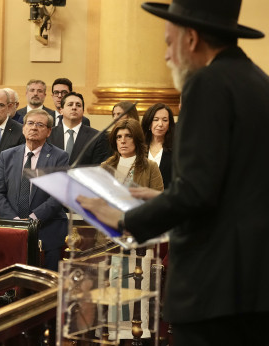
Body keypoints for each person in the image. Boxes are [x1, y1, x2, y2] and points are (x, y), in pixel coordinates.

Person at [77, 1, 269, 344]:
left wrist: (120, 220)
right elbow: (231, 186)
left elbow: (197, 193)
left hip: (213, 287)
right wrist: (166, 197)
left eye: (169, 42)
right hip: (255, 286)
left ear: (191, 39)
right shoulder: (258, 82)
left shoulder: (206, 83)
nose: (167, 55)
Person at [0, 109, 70, 271]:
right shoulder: (6, 156)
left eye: (40, 125)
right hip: (12, 230)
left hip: (47, 231)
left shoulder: (59, 157)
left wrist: (32, 220)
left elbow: (57, 195)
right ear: (23, 128)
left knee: (46, 289)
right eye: (30, 123)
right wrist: (14, 220)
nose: (34, 128)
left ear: (49, 131)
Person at [47, 91, 109, 165]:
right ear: (61, 110)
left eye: (78, 105)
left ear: (83, 111)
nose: (74, 108)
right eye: (70, 105)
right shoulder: (49, 134)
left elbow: (97, 168)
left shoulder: (96, 137)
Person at [101, 118, 163, 190]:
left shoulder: (151, 167)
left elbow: (158, 197)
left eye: (128, 136)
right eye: (119, 137)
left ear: (137, 139)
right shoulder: (106, 166)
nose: (123, 141)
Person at [141, 103, 175, 189]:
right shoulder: (139, 146)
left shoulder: (176, 148)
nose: (160, 124)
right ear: (149, 123)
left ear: (169, 124)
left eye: (165, 120)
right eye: (155, 120)